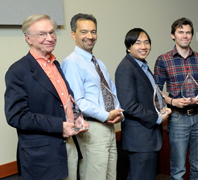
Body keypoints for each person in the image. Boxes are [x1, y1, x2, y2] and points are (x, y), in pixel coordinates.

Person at [4, 14, 88, 180]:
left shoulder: (55, 64)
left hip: (68, 146)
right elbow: (16, 116)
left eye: (52, 32)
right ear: (28, 38)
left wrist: (77, 117)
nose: (50, 38)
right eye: (42, 34)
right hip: (42, 156)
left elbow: (63, 100)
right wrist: (59, 126)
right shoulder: (18, 71)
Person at [60, 13, 124, 180]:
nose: (90, 36)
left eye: (93, 31)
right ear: (73, 34)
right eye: (84, 32)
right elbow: (77, 102)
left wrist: (118, 111)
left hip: (109, 127)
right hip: (91, 129)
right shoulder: (71, 63)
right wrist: (105, 115)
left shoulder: (98, 62)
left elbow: (112, 90)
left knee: (111, 176)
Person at [154, 17, 198, 180]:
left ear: (192, 35)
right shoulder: (163, 60)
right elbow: (156, 90)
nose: (184, 36)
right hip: (178, 118)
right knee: (178, 170)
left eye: (188, 32)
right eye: (180, 32)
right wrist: (172, 102)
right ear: (173, 35)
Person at [115, 28, 171, 180]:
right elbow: (129, 105)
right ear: (128, 47)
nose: (143, 47)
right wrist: (157, 118)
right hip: (140, 138)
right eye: (138, 43)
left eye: (146, 42)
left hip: (147, 136)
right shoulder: (126, 68)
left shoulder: (142, 66)